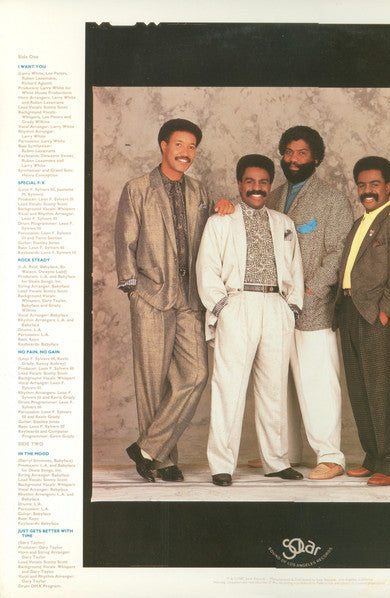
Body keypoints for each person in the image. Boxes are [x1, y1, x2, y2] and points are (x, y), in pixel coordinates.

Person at [115, 118, 232, 482]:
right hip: (151, 295)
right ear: (164, 146)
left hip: (189, 299)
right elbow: (125, 241)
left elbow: (212, 235)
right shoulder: (138, 188)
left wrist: (223, 206)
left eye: (192, 147)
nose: (186, 152)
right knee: (152, 381)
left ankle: (147, 448)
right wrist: (133, 290)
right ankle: (162, 460)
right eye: (179, 144)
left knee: (195, 375)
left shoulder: (200, 191)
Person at [196, 154, 305, 487]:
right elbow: (207, 267)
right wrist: (222, 308)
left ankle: (276, 461)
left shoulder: (284, 222)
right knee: (228, 387)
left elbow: (295, 267)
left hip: (275, 306)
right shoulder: (221, 221)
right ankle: (222, 465)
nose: (256, 188)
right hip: (238, 304)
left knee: (273, 388)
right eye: (250, 181)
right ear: (239, 184)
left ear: (270, 185)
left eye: (263, 182)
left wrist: (291, 308)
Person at [262, 125, 354, 480]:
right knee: (276, 383)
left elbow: (338, 253)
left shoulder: (333, 201)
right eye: (288, 152)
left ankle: (330, 456)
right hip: (273, 307)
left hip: (313, 308)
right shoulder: (272, 197)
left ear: (316, 159)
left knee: (318, 383)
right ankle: (284, 453)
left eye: (302, 153)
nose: (293, 159)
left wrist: (311, 291)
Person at [335, 157, 390, 486]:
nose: (367, 191)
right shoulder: (359, 223)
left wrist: (386, 311)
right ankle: (373, 456)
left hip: (380, 316)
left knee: (386, 390)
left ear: (388, 187)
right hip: (351, 312)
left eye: (374, 184)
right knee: (361, 390)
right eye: (362, 185)